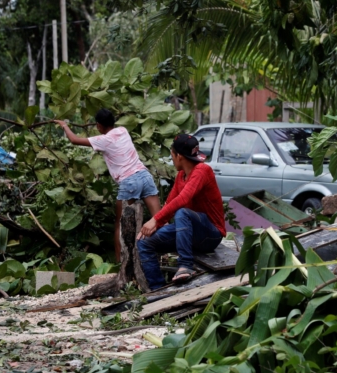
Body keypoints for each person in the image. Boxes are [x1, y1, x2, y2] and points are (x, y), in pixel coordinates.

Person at [54, 108, 162, 262]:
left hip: (129, 181)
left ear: (98, 125)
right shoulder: (123, 130)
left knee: (119, 225)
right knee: (159, 219)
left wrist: (64, 125)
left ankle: (119, 265)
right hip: (145, 176)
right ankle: (169, 257)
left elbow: (74, 140)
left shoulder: (103, 141)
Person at [137, 134, 226, 290]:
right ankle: (157, 289)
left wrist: (155, 220)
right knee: (144, 242)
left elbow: (183, 199)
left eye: (172, 155)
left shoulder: (202, 170)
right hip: (191, 232)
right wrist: (156, 225)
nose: (172, 159)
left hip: (211, 234)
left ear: (178, 156)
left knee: (182, 212)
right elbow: (170, 203)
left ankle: (185, 265)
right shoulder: (181, 176)